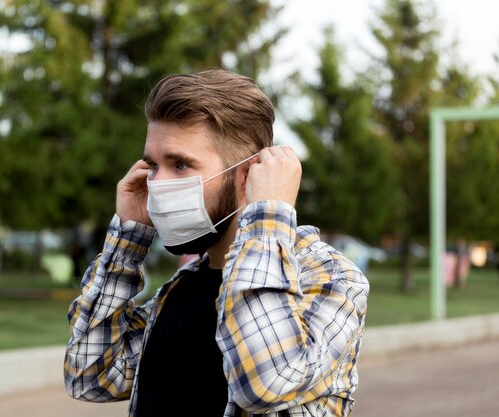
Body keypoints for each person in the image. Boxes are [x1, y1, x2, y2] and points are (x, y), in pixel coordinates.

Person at [64, 68, 370, 417]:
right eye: (153, 165)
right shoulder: (180, 288)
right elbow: (91, 376)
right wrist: (127, 241)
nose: (156, 183)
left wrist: (268, 216)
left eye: (180, 164)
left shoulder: (330, 278)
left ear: (248, 174)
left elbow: (268, 385)